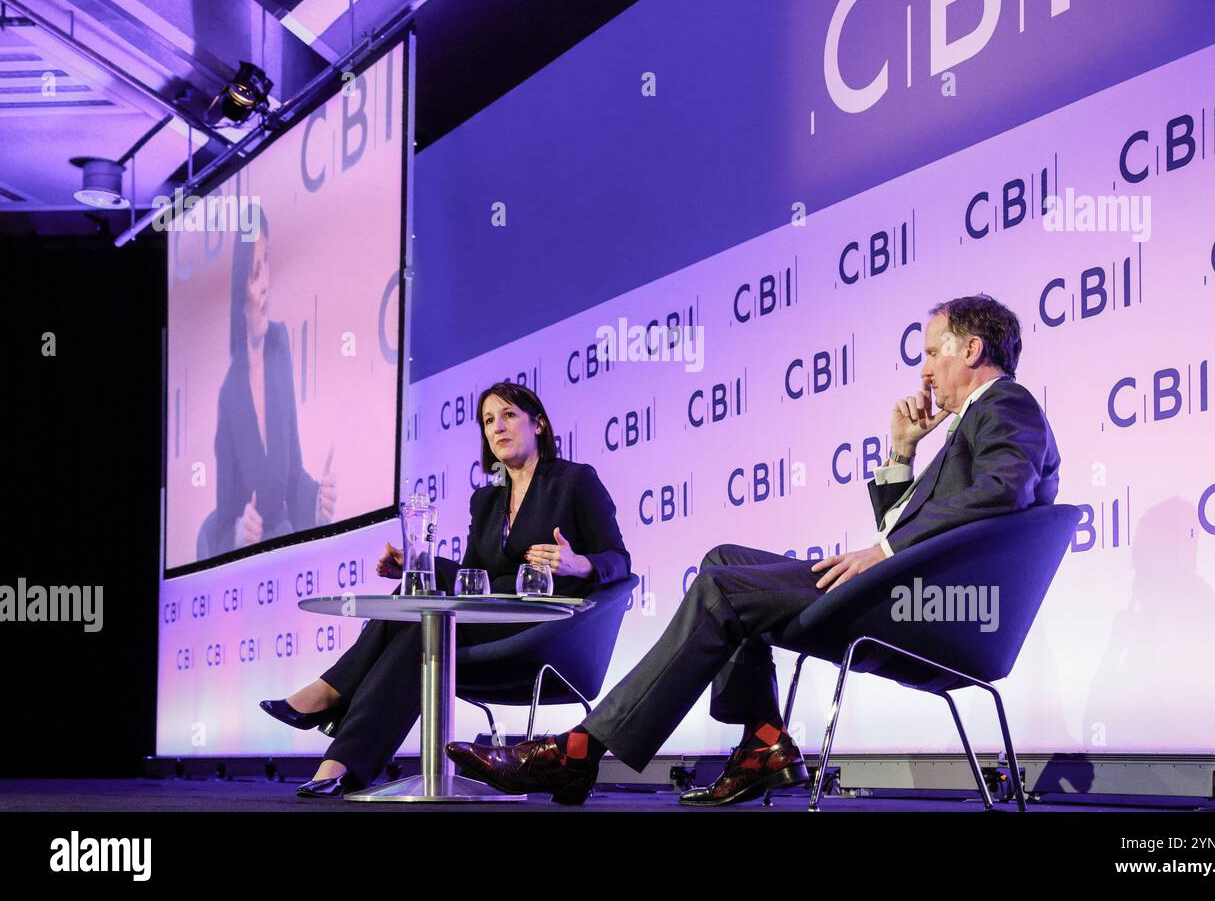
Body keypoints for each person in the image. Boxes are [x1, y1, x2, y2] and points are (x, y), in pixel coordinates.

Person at [446, 294, 1061, 806]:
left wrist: (883, 551)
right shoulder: (970, 423)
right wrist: (901, 453)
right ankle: (764, 738)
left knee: (720, 590)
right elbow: (916, 519)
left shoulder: (1006, 403)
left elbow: (1003, 493)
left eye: (931, 352)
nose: (923, 371)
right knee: (721, 561)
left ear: (972, 349)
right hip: (906, 589)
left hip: (933, 608)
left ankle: (581, 750)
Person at [259, 382, 632, 797]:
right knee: (421, 610)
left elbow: (619, 559)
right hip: (490, 622)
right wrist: (418, 563)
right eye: (489, 421)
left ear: (539, 424)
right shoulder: (486, 502)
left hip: (548, 630)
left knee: (424, 619)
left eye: (508, 415)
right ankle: (342, 763)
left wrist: (581, 564)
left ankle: (331, 698)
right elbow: (472, 577)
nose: (497, 428)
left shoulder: (574, 481)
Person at [209, 217, 337, 557]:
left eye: (266, 264)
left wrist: (316, 503)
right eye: (254, 273)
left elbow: (293, 472)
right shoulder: (230, 395)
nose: (265, 282)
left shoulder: (278, 346)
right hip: (252, 562)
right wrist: (237, 534)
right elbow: (222, 525)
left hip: (286, 548)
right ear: (240, 293)